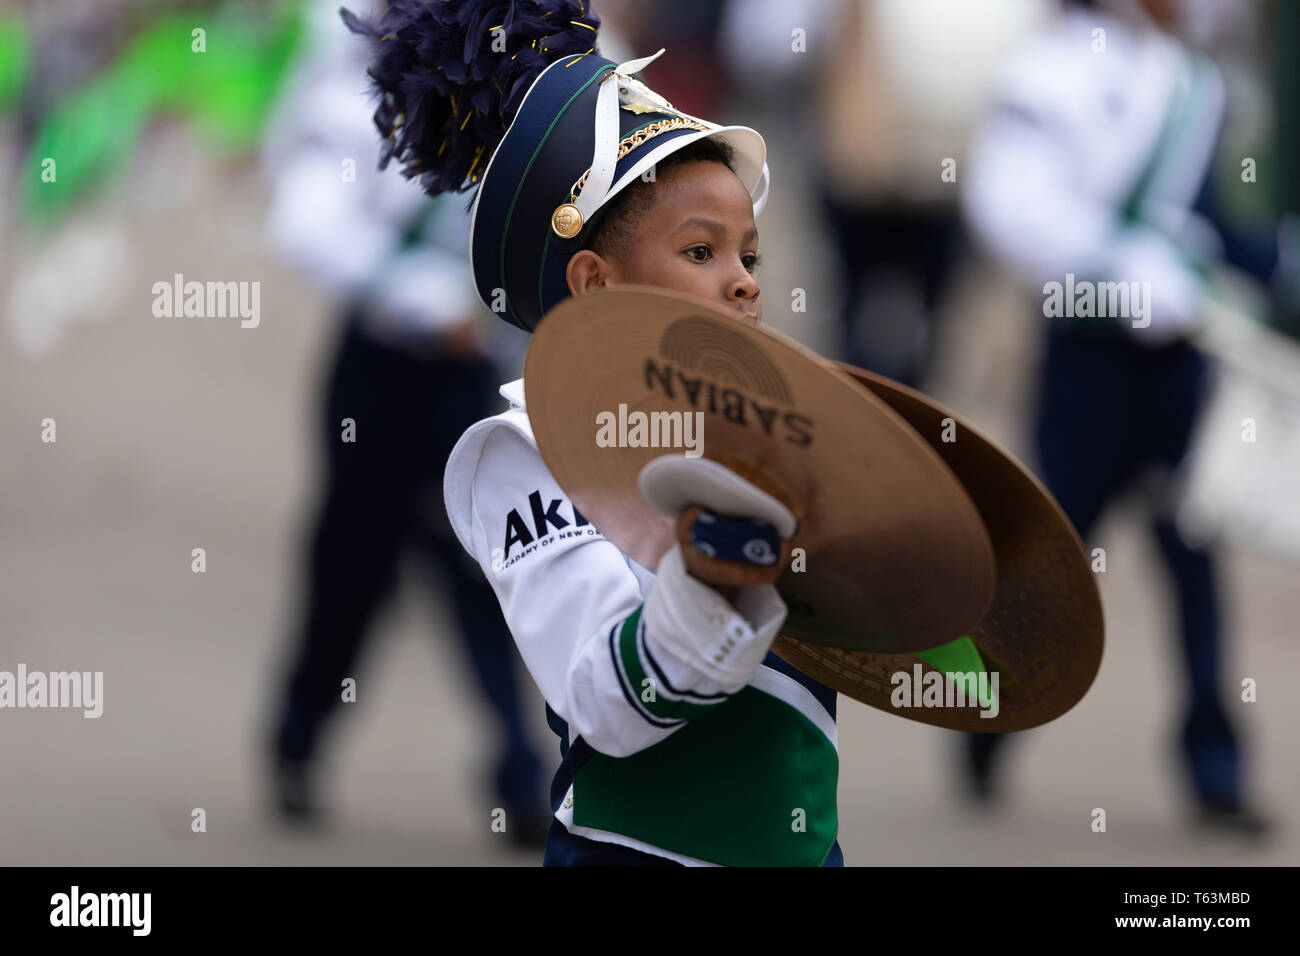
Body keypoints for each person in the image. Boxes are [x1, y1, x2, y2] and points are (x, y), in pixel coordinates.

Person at [344, 0, 842, 865]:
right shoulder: (526, 451)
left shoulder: (769, 433)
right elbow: (608, 705)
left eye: (749, 257)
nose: (743, 285)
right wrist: (714, 571)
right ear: (596, 284)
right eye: (701, 253)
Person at [961, 0, 1283, 835]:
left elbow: (1207, 218)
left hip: (1178, 365)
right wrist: (1119, 271)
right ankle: (986, 721)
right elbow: (1010, 208)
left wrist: (1274, 263)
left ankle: (1216, 768)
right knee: (1051, 556)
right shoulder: (1050, 69)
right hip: (1089, 361)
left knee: (1195, 559)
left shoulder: (1192, 80)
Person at [261, 0, 548, 846]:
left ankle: (519, 770)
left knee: (495, 563)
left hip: (482, 377)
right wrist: (427, 302)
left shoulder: (535, 77)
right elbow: (305, 226)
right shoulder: (356, 90)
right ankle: (299, 734)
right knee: (354, 567)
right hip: (381, 376)